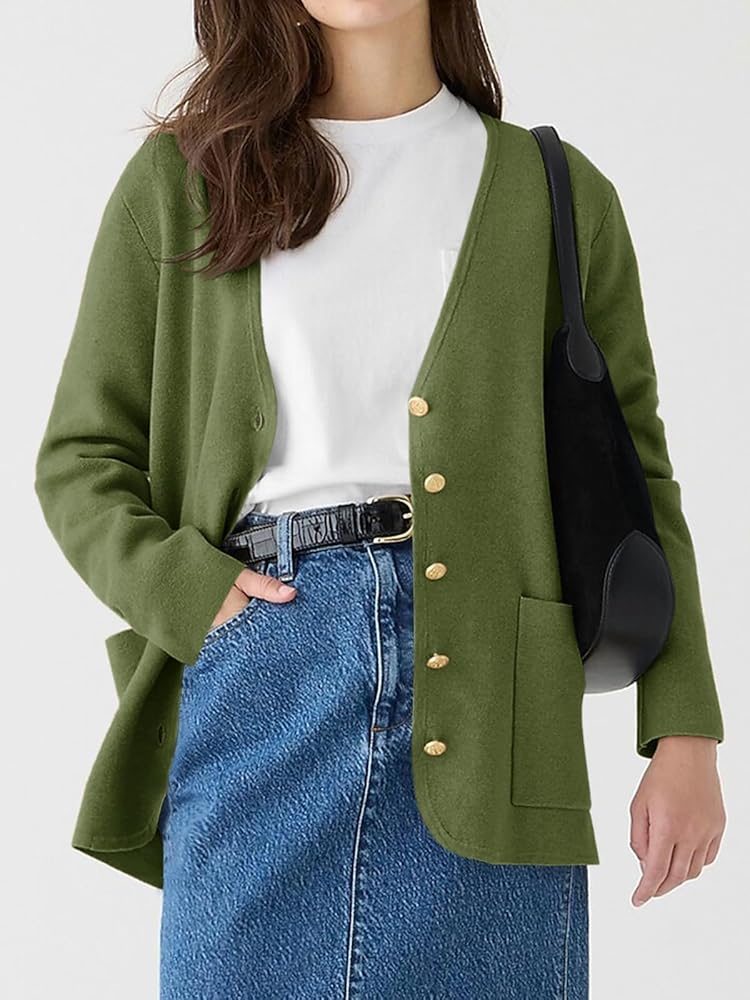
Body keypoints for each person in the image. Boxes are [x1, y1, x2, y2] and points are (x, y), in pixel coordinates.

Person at [34, 2, 726, 998]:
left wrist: (684, 730)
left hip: (497, 707)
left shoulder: (555, 192)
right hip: (266, 672)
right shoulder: (186, 180)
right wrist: (193, 597)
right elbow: (82, 456)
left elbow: (638, 475)